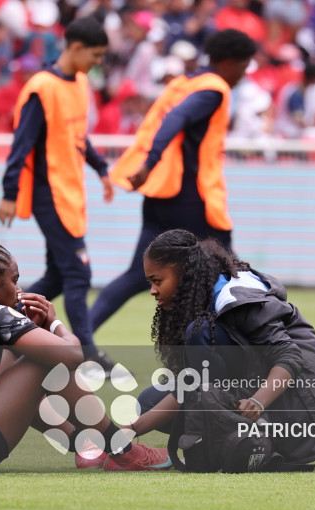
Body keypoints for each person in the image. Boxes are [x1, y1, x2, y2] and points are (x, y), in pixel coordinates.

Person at [0, 240, 172, 474]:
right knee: (48, 360)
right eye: (14, 281)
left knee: (16, 357)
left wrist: (29, 330)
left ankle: (86, 444)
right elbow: (73, 356)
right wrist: (54, 323)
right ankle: (123, 450)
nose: (19, 291)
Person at [128, 229, 315, 466]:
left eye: (157, 281)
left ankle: (247, 438)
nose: (152, 290)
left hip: (296, 407)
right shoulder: (203, 289)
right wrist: (129, 431)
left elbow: (290, 357)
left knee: (199, 333)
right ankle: (229, 435)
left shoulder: (236, 298)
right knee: (148, 402)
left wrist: (258, 402)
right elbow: (191, 384)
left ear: (183, 274)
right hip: (255, 384)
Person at [88, 28, 257, 334]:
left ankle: (77, 338)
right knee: (229, 271)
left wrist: (149, 167)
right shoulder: (213, 89)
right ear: (230, 62)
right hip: (192, 199)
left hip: (160, 196)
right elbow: (176, 119)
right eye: (244, 67)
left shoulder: (183, 83)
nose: (243, 75)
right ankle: (250, 343)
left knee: (138, 276)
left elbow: (167, 120)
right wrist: (150, 162)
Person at [0, 17, 116, 376]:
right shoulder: (41, 87)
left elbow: (78, 136)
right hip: (50, 195)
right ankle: (88, 352)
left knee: (60, 277)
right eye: (95, 55)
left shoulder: (79, 83)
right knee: (79, 275)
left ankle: (2, 318)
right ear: (76, 47)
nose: (98, 64)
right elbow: (22, 143)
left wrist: (99, 166)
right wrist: (9, 192)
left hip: (71, 194)